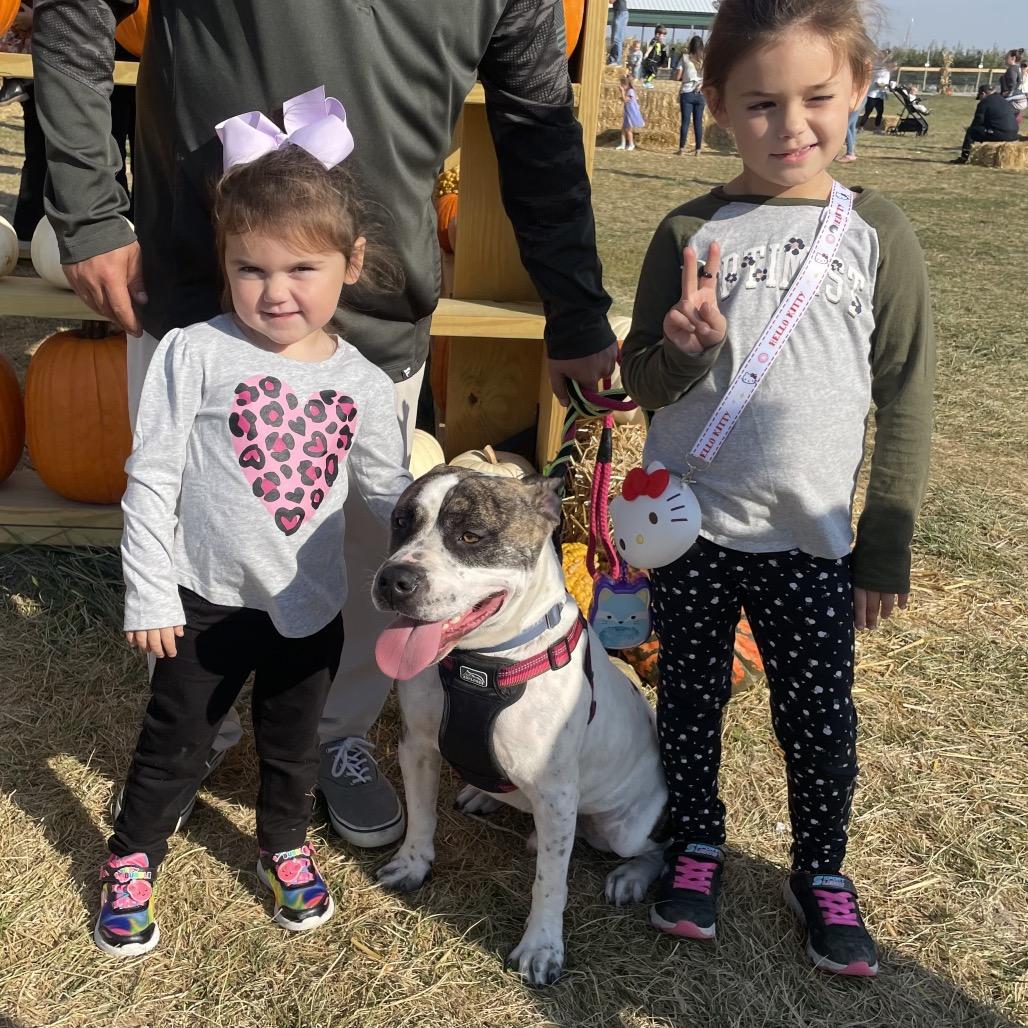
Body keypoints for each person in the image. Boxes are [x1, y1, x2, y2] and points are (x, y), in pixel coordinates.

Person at [32, 0, 618, 854]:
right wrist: (86, 207)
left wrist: (574, 306)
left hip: (373, 320)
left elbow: (537, 121)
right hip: (199, 299)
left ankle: (332, 735)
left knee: (361, 547)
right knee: (200, 534)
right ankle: (194, 735)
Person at [621, 0, 935, 977]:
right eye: (759, 103)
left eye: (816, 98)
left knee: (816, 717)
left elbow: (906, 394)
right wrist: (676, 352)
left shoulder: (875, 232)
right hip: (692, 530)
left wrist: (880, 542)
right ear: (713, 103)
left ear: (856, 89)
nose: (789, 126)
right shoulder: (687, 227)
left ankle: (821, 867)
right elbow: (637, 375)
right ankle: (697, 842)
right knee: (687, 696)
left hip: (810, 542)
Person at [95, 104, 413, 957]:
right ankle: (131, 858)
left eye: (301, 268)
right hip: (201, 601)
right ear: (224, 264)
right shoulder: (194, 352)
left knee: (294, 745)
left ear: (351, 264)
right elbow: (151, 477)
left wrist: (443, 550)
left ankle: (284, 846)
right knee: (174, 743)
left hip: (309, 607)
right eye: (251, 269)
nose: (276, 292)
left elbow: (389, 497)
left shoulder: (365, 386)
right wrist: (150, 590)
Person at [950, 85, 1019, 164]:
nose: (980, 99)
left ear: (983, 94)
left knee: (971, 132)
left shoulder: (984, 102)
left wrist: (973, 128)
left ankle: (964, 158)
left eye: (980, 97)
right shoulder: (1003, 100)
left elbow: (978, 122)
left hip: (1000, 134)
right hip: (1014, 134)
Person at [673, 35, 705, 156]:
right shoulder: (704, 59)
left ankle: (681, 148)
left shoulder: (685, 57)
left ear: (691, 45)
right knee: (698, 123)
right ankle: (698, 150)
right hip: (700, 93)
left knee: (685, 122)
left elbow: (678, 76)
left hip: (687, 92)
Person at [857, 54, 891, 132]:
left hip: (880, 95)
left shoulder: (887, 72)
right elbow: (877, 84)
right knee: (868, 112)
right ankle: (860, 127)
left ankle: (877, 128)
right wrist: (887, 85)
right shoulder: (879, 70)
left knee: (880, 112)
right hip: (872, 95)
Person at [999, 48, 1026, 127]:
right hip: (1018, 97)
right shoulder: (1017, 68)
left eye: (1007, 56)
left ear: (1013, 58)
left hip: (1014, 98)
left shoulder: (1012, 69)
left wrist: (1008, 93)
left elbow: (1012, 83)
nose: (1005, 58)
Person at [617, 71, 644, 150]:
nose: (621, 86)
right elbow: (625, 100)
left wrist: (622, 92)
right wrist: (622, 96)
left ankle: (631, 144)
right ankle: (623, 144)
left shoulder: (631, 91)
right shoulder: (628, 91)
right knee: (623, 129)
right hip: (627, 112)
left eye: (623, 85)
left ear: (627, 85)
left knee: (628, 130)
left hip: (631, 113)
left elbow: (626, 100)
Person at [608, 0, 629, 66]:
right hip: (619, 12)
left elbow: (611, 1)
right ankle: (613, 60)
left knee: (617, 39)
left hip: (621, 13)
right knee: (615, 39)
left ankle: (616, 61)